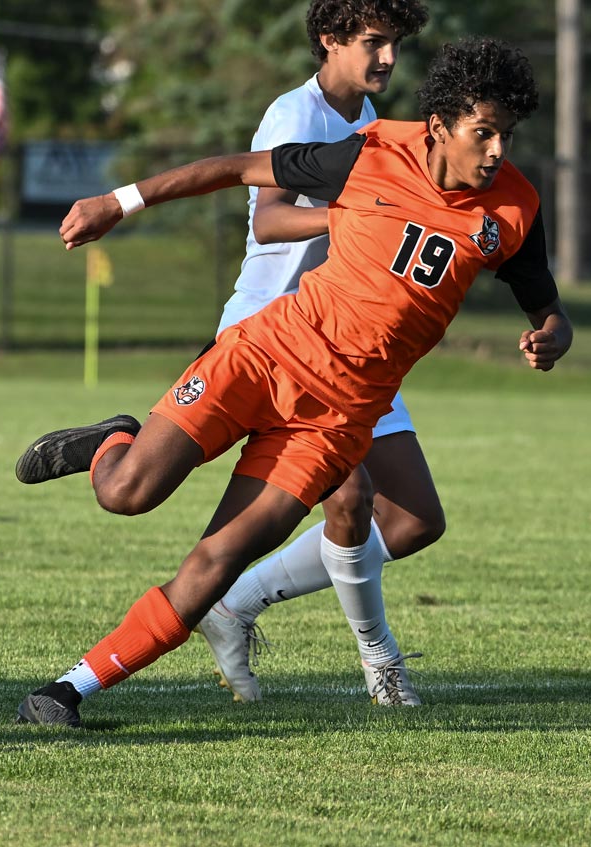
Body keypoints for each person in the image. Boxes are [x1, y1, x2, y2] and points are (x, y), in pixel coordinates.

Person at [13, 37, 572, 728]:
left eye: (506, 136)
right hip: (266, 355)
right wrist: (118, 202)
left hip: (335, 423)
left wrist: (551, 336)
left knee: (217, 562)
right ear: (439, 127)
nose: (496, 152)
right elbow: (236, 171)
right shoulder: (371, 152)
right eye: (483, 133)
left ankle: (66, 691)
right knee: (125, 491)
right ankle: (112, 442)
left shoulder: (514, 209)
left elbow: (549, 308)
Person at [196, 0, 436, 707]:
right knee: (352, 498)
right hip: (284, 336)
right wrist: (360, 218)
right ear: (329, 40)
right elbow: (268, 219)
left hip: (354, 339)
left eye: (394, 43)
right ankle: (381, 664)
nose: (388, 57)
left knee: (414, 518)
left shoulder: (372, 127)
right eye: (374, 42)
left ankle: (235, 600)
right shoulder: (296, 115)